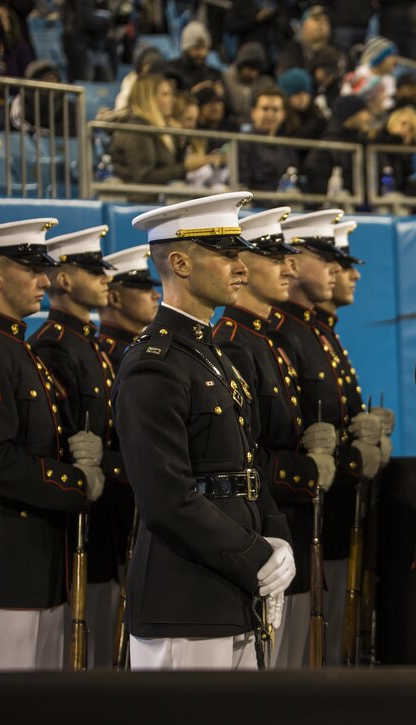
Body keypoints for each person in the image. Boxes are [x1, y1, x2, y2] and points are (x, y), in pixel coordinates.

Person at [112, 191, 295, 670]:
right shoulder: (154, 365)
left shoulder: (209, 355)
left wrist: (277, 537)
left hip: (232, 589)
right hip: (185, 596)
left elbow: (247, 464)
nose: (243, 265)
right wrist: (254, 554)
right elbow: (166, 500)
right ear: (180, 262)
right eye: (227, 253)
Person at [0, 218, 99, 669]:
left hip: (39, 562)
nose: (45, 279)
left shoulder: (17, 347)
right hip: (2, 567)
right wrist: (74, 482)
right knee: (2, 702)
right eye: (32, 269)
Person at [211, 207, 334, 670]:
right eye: (273, 256)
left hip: (288, 526)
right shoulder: (233, 343)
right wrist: (308, 470)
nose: (288, 266)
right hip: (262, 532)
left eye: (287, 256)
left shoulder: (262, 340)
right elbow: (246, 455)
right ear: (241, 266)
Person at [273, 209, 383, 666]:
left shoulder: (318, 333)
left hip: (328, 513)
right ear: (293, 262)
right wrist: (352, 457)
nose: (343, 271)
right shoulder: (284, 333)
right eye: (328, 259)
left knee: (325, 649)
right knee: (295, 656)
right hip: (294, 515)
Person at [28, 226, 125, 670]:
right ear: (64, 280)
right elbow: (62, 442)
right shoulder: (53, 345)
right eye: (93, 270)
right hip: (76, 527)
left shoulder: (91, 345)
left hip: (107, 524)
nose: (106, 278)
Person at [108, 74, 225, 202]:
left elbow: (171, 168)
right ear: (149, 98)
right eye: (165, 94)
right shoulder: (136, 129)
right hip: (138, 201)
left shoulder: (160, 130)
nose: (172, 99)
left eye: (171, 94)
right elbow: (144, 177)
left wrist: (180, 138)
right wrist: (185, 167)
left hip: (157, 200)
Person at [98, 244, 161, 370]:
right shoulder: (104, 354)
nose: (157, 295)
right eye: (144, 288)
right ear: (114, 298)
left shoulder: (144, 347)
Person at [302, 94, 373, 196]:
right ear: (350, 115)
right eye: (364, 112)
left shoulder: (363, 143)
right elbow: (315, 178)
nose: (369, 117)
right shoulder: (328, 145)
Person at [238, 88, 300, 193]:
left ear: (283, 114)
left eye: (275, 110)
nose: (270, 114)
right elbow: (242, 182)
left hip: (282, 203)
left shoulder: (287, 145)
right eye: (265, 109)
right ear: (253, 113)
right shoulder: (242, 142)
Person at [276, 5, 345, 79]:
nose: (322, 23)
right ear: (304, 25)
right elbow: (286, 79)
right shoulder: (293, 50)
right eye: (316, 19)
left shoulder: (337, 52)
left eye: (325, 20)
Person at [340, 36, 399, 113]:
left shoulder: (390, 80)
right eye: (391, 56)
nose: (395, 61)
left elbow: (389, 105)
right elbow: (346, 98)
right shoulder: (359, 75)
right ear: (379, 57)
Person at [222, 43, 274, 126]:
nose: (252, 74)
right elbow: (237, 105)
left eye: (256, 70)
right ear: (241, 66)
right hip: (231, 123)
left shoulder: (266, 82)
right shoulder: (228, 78)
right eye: (249, 69)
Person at [169, 21, 223, 95]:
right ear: (185, 50)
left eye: (204, 48)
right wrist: (194, 93)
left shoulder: (214, 74)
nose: (202, 53)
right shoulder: (172, 71)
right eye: (196, 48)